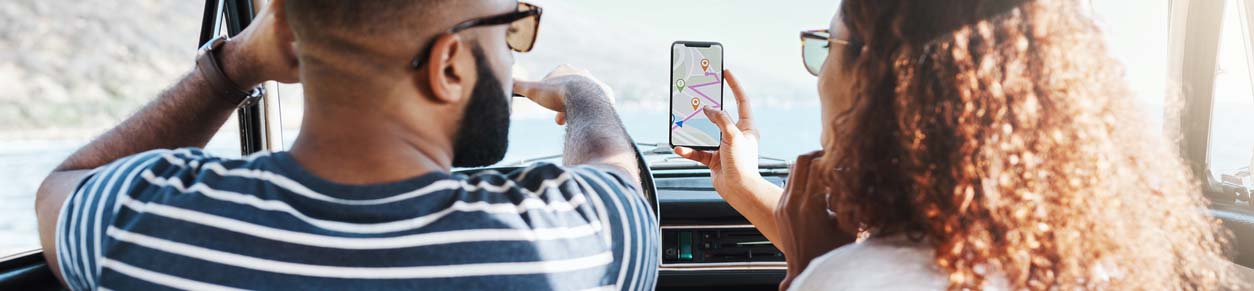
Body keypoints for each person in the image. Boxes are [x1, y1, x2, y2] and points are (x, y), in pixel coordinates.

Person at [34, 0, 658, 290]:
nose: (516, 51)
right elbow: (615, 181)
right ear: (447, 67)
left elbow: (61, 189)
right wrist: (583, 95)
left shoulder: (145, 220)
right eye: (512, 29)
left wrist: (231, 67)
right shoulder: (578, 240)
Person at [676, 0, 1244, 290]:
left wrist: (810, 272)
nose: (820, 76)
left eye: (827, 47)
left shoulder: (854, 279)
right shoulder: (1104, 262)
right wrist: (747, 191)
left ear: (880, 82)